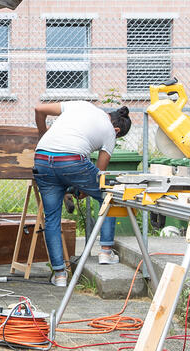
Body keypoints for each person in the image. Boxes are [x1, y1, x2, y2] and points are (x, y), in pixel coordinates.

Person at [33, 101, 132, 287]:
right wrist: (82, 192)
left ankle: (60, 275)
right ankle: (105, 251)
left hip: (42, 158)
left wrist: (41, 134)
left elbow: (39, 109)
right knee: (108, 195)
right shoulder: (110, 132)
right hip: (71, 160)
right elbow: (100, 176)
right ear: (117, 130)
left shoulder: (81, 105)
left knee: (52, 218)